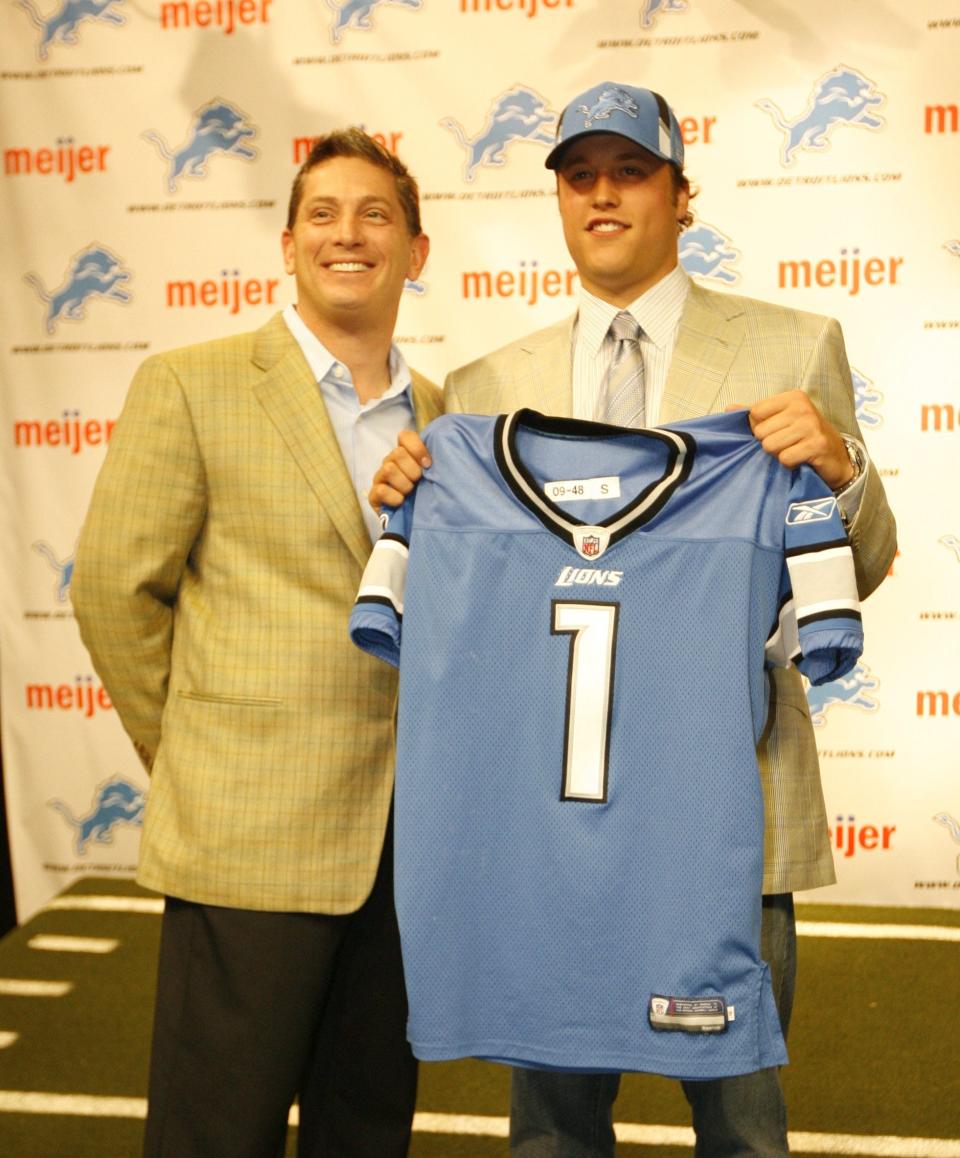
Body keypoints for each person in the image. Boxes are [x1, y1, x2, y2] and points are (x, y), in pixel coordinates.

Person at [369, 82, 897, 1157]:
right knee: (553, 1129)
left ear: (681, 196)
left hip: (727, 808)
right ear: (558, 202)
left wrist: (839, 471)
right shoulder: (479, 388)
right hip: (547, 822)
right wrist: (404, 489)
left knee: (743, 1126)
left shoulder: (794, 347)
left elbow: (868, 563)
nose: (601, 196)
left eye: (629, 172)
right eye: (579, 177)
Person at [72, 128, 441, 1158]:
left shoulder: (449, 420)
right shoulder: (193, 384)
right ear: (287, 245)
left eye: (376, 214)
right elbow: (112, 589)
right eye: (322, 214)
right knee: (214, 1134)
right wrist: (193, 754)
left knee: (366, 1129)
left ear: (417, 251)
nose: (347, 233)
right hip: (246, 837)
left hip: (402, 849)